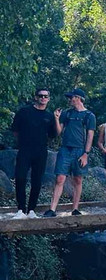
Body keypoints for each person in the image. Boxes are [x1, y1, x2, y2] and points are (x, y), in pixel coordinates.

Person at [44, 88, 96, 217]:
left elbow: (90, 136)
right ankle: (52, 209)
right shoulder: (66, 113)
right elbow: (58, 132)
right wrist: (56, 119)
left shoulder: (89, 115)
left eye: (71, 97)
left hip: (80, 151)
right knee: (60, 178)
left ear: (78, 98)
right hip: (65, 149)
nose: (69, 100)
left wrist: (86, 154)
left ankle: (75, 209)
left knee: (78, 179)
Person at [12, 88, 57, 219]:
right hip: (25, 150)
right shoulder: (24, 112)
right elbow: (15, 130)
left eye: (46, 96)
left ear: (48, 99)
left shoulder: (49, 116)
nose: (43, 98)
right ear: (36, 97)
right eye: (40, 96)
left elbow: (53, 134)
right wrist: (23, 142)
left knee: (37, 181)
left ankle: (31, 210)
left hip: (41, 152)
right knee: (20, 178)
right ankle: (21, 209)